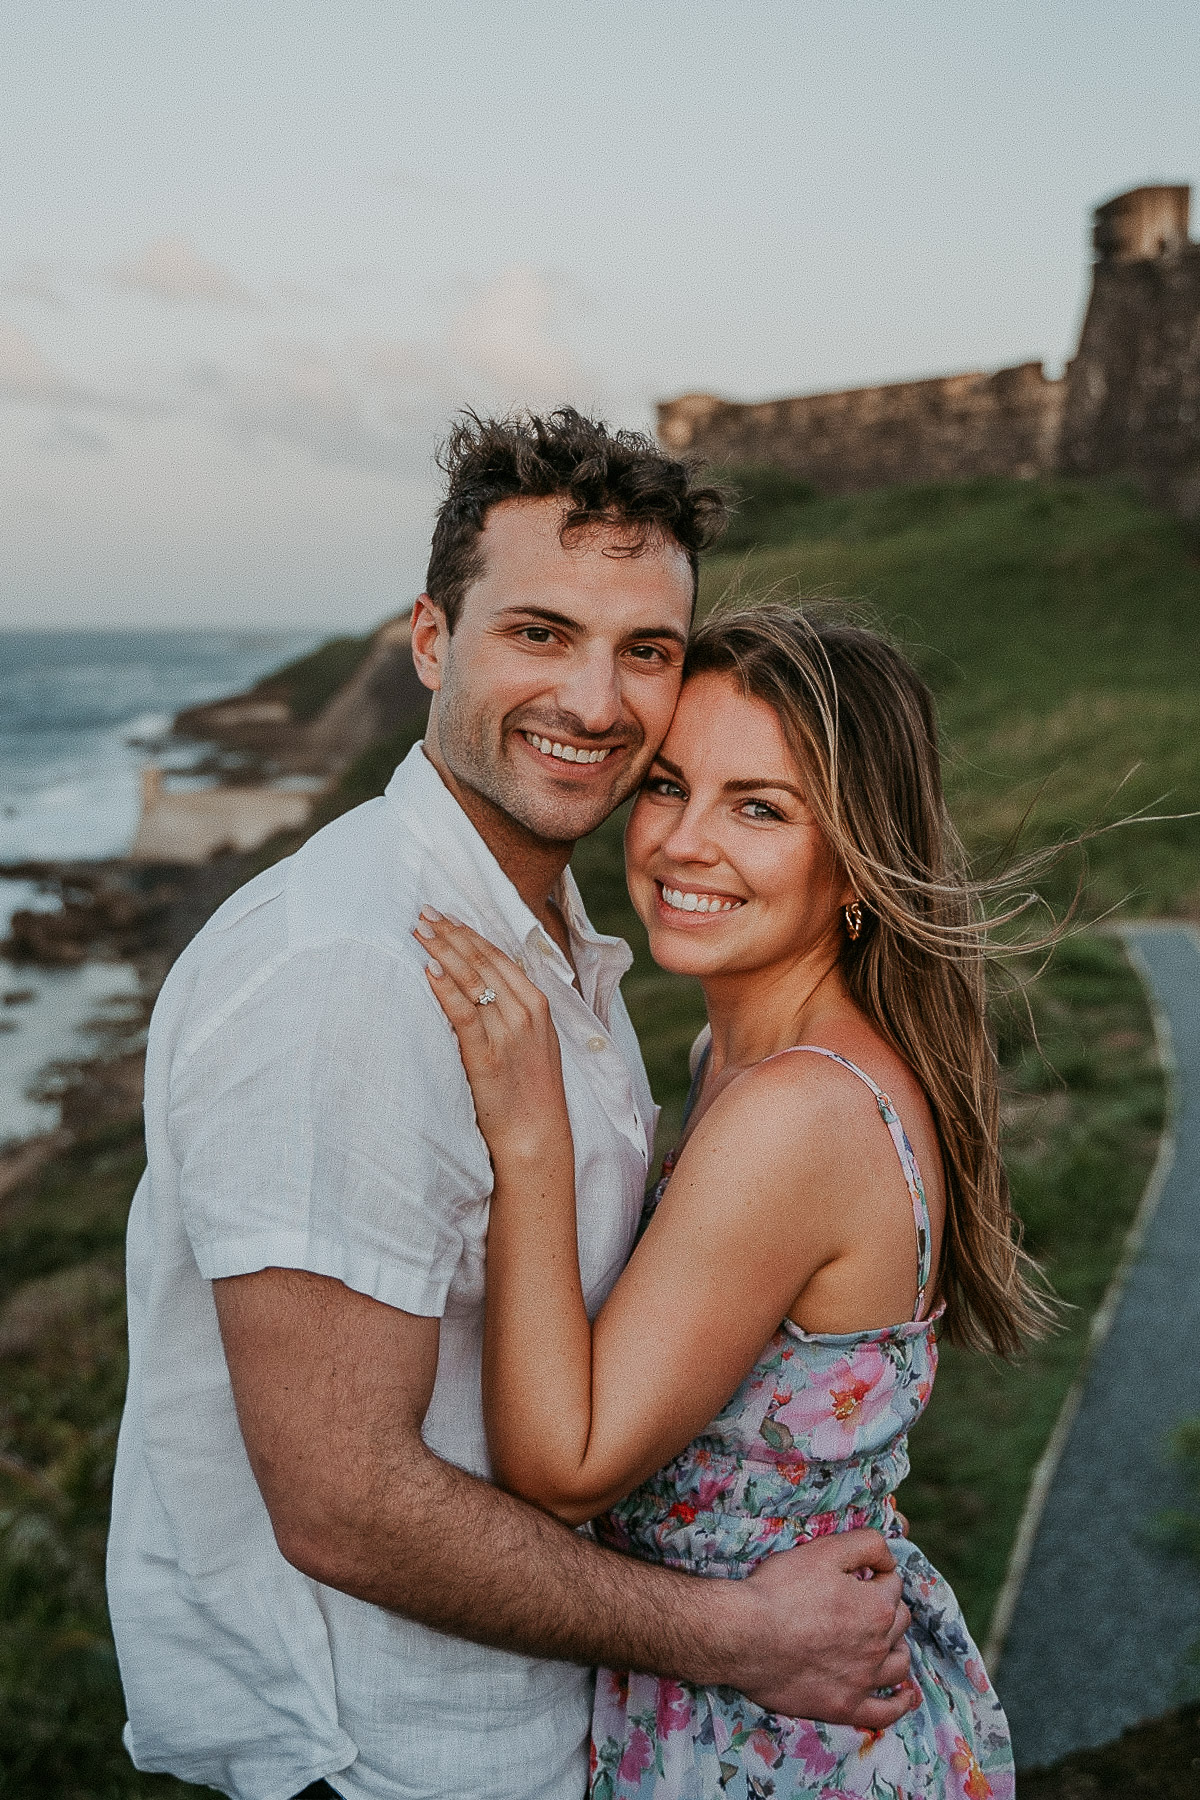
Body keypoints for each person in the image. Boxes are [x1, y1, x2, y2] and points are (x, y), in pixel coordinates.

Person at [106, 413, 918, 1800]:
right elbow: (347, 1506)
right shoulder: (352, 974)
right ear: (432, 640)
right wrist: (736, 1635)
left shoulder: (541, 943)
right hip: (381, 1760)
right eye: (540, 633)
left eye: (644, 652)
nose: (596, 703)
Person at [418, 602, 1047, 1799]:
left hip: (771, 1738)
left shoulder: (796, 1112)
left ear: (857, 855)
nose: (683, 843)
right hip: (774, 1693)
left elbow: (567, 1467)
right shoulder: (741, 1068)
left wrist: (530, 1136)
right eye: (665, 786)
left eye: (759, 807)